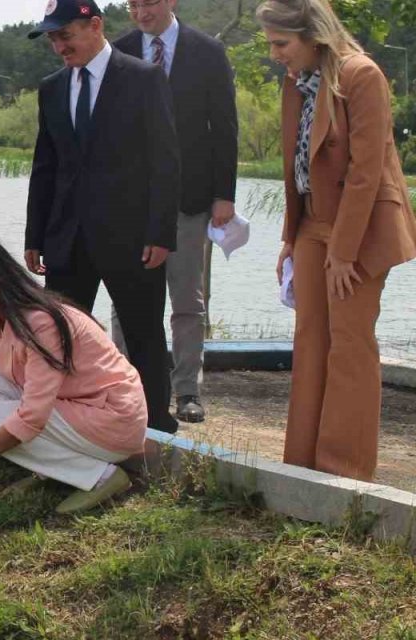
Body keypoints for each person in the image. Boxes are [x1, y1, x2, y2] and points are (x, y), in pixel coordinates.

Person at [257, 0, 416, 481]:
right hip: (313, 224)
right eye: (270, 45)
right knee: (310, 340)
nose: (275, 54)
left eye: (281, 44)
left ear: (315, 37)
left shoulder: (362, 75)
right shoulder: (296, 81)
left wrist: (344, 253)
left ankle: (343, 476)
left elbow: (366, 174)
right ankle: (301, 468)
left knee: (349, 345)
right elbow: (296, 168)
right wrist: (291, 236)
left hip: (363, 230)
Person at [23, 0, 181, 434]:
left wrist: (160, 232)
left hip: (132, 238)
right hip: (67, 239)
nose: (59, 47)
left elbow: (165, 162)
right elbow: (46, 166)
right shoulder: (52, 88)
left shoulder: (144, 79)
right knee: (61, 336)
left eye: (65, 35)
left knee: (144, 333)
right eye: (53, 39)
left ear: (95, 26)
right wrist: (35, 235)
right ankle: (72, 421)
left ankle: (157, 427)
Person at [0, 238, 147, 514]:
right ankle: (53, 471)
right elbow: (29, 394)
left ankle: (100, 476)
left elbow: (33, 413)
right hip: (79, 408)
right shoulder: (4, 319)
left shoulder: (41, 322)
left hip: (113, 420)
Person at [111, 0, 240, 424]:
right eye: (133, 4)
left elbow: (223, 126)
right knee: (127, 299)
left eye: (149, 2)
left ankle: (188, 391)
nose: (141, 12)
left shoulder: (206, 52)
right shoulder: (119, 50)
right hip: (132, 202)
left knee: (187, 300)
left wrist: (225, 194)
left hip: (189, 200)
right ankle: (126, 388)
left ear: (172, 2)